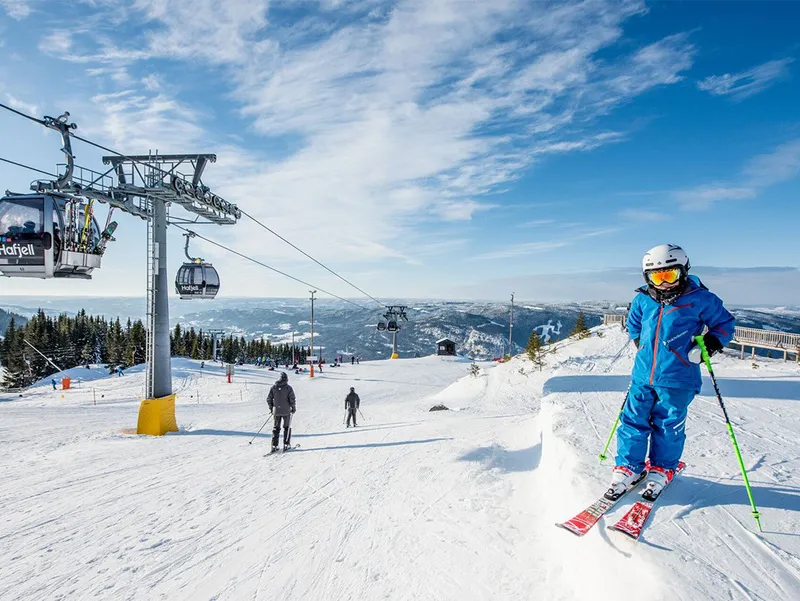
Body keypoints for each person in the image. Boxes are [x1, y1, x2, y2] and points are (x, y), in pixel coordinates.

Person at [608, 244, 735, 500]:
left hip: (679, 376)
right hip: (643, 375)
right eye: (657, 277)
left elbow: (724, 323)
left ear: (683, 271)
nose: (664, 283)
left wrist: (711, 343)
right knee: (632, 420)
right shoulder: (643, 299)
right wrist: (641, 344)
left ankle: (662, 468)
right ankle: (629, 467)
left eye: (670, 275)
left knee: (668, 424)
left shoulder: (701, 299)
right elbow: (634, 323)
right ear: (647, 277)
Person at [267, 372, 296, 452]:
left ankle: (274, 445)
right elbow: (292, 399)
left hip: (276, 411)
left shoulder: (274, 387)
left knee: (276, 428)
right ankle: (286, 444)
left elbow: (269, 399)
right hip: (286, 411)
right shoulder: (288, 388)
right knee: (287, 427)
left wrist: (271, 408)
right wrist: (293, 408)